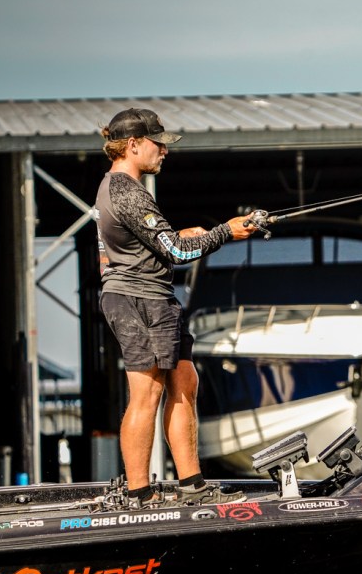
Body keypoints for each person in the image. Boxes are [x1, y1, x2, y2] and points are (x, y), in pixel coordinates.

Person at [94, 107, 261, 508]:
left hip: (152, 297)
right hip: (139, 300)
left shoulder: (119, 188)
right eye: (158, 143)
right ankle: (139, 494)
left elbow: (147, 244)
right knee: (147, 393)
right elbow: (177, 251)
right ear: (133, 145)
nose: (165, 151)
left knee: (184, 381)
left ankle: (192, 486)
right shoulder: (127, 191)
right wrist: (227, 231)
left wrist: (178, 235)